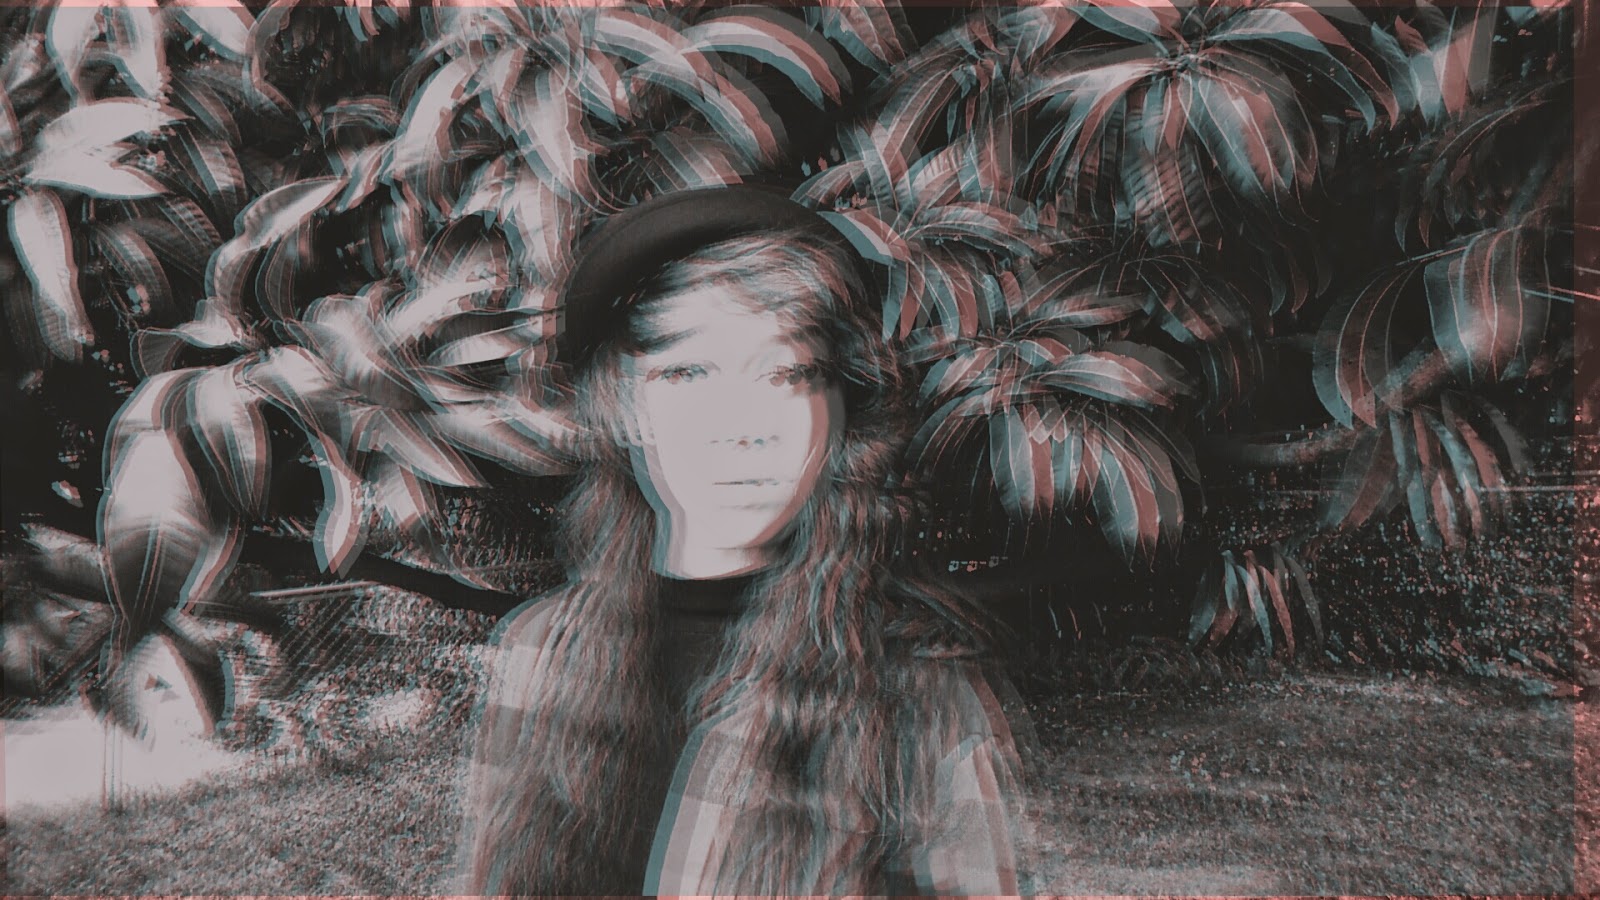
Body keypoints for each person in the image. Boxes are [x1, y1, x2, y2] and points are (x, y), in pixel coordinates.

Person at [457, 185, 1031, 895]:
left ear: (837, 409)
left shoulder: (919, 694)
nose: (743, 426)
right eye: (689, 372)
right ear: (625, 403)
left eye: (786, 374)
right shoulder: (540, 653)